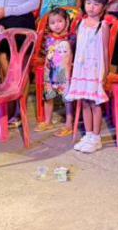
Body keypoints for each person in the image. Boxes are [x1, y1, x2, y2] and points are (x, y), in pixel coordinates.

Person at [67, 0, 110, 153]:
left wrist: (105, 73)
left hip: (95, 69)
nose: (91, 7)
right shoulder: (81, 23)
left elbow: (105, 50)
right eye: (89, 3)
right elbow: (78, 47)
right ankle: (88, 133)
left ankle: (96, 137)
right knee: (84, 102)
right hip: (82, 69)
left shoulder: (102, 26)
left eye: (96, 4)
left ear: (103, 7)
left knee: (95, 103)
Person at [35, 8, 75, 137]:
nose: (56, 25)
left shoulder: (71, 38)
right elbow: (47, 54)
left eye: (60, 21)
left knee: (67, 98)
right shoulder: (49, 38)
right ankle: (48, 121)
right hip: (50, 73)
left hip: (64, 74)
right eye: (52, 23)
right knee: (48, 97)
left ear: (66, 21)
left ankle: (69, 124)